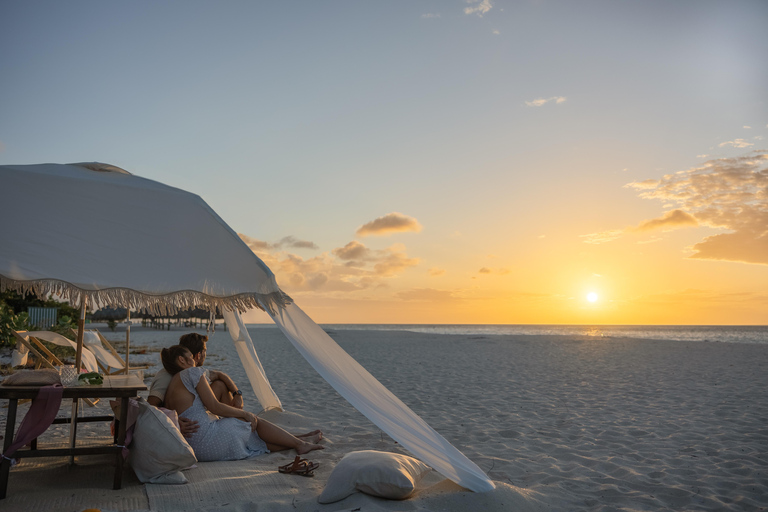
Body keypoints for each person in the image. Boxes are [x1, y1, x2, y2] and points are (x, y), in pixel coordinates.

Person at [161, 345, 324, 462]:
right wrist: (245, 413)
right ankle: (300, 443)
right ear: (182, 360)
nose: (195, 361)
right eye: (191, 357)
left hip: (195, 448)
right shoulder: (191, 372)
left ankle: (298, 442)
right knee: (251, 421)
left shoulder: (171, 385)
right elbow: (214, 407)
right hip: (206, 438)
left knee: (254, 440)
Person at [148, 333, 242, 437]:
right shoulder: (166, 376)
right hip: (176, 424)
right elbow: (150, 406)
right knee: (219, 387)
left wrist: (237, 394)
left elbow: (220, 375)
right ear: (198, 355)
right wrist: (174, 420)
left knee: (220, 385)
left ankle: (237, 424)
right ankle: (239, 426)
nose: (206, 354)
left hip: (193, 415)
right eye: (205, 351)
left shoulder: (194, 372)